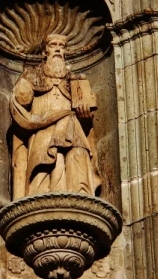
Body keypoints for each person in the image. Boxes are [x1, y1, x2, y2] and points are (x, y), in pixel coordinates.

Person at [10, 33, 101, 199]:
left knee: (78, 155)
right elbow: (20, 104)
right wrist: (22, 92)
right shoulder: (32, 76)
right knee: (50, 161)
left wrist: (85, 114)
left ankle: (80, 196)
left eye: (61, 46)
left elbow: (87, 118)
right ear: (45, 51)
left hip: (73, 130)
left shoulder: (74, 80)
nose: (58, 49)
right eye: (53, 45)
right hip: (42, 131)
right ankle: (41, 197)